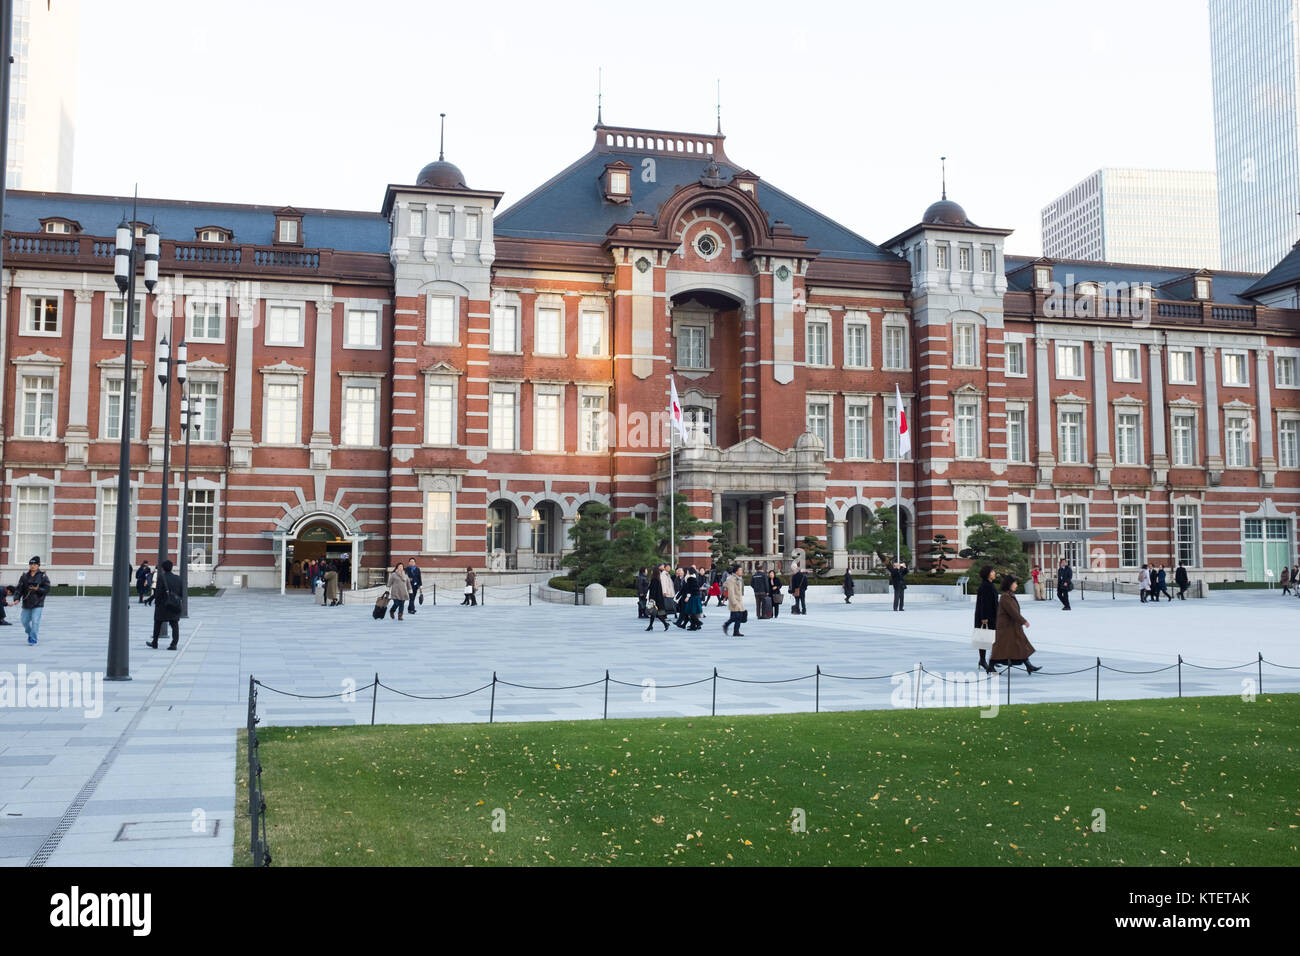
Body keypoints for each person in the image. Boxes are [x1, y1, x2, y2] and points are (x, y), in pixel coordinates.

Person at [992, 574, 1039, 672]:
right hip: (1007, 627)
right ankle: (991, 665)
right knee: (1002, 647)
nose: (1016, 585)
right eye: (1015, 583)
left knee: (1020, 644)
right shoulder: (1005, 597)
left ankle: (1028, 666)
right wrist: (1024, 621)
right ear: (1009, 584)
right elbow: (1013, 612)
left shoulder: (1010, 595)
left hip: (1012, 626)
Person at [146, 559, 182, 650]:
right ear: (171, 567)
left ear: (162, 568)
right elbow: (181, 593)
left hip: (162, 605)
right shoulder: (178, 578)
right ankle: (174, 644)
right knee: (174, 625)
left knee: (157, 623)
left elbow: (158, 592)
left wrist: (153, 600)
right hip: (174, 605)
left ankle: (155, 642)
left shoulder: (161, 578)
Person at [17, 557, 50, 645]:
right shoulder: (24, 576)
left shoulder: (43, 576)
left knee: (35, 621)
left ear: (38, 565)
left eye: (35, 564)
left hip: (38, 603)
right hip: (26, 603)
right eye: (31, 564)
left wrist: (37, 589)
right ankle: (30, 633)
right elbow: (19, 589)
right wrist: (16, 598)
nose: (32, 566)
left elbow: (47, 590)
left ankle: (33, 639)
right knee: (24, 621)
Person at [973, 564, 999, 674]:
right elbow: (983, 603)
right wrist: (984, 617)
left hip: (991, 615)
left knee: (990, 638)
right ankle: (984, 661)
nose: (994, 573)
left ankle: (989, 660)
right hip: (986, 617)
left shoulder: (989, 585)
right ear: (988, 574)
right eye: (993, 571)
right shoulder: (985, 586)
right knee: (984, 639)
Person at [645, 563, 673, 631]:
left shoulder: (654, 580)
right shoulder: (657, 579)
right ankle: (651, 626)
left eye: (652, 571)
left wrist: (652, 599)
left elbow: (653, 590)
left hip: (655, 599)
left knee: (657, 614)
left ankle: (665, 624)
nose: (651, 572)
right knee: (653, 613)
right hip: (658, 599)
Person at [721, 563, 746, 637]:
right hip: (734, 601)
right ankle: (726, 625)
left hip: (738, 600)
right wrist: (735, 602)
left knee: (738, 616)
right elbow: (731, 592)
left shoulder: (738, 578)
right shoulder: (732, 580)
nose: (741, 571)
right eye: (740, 570)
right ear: (736, 571)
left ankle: (736, 631)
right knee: (736, 617)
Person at [683, 566, 704, 630]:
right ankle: (693, 626)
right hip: (696, 596)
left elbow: (690, 589)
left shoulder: (690, 578)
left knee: (691, 612)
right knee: (693, 611)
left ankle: (698, 623)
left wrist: (687, 596)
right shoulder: (694, 577)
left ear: (689, 571)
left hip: (693, 597)